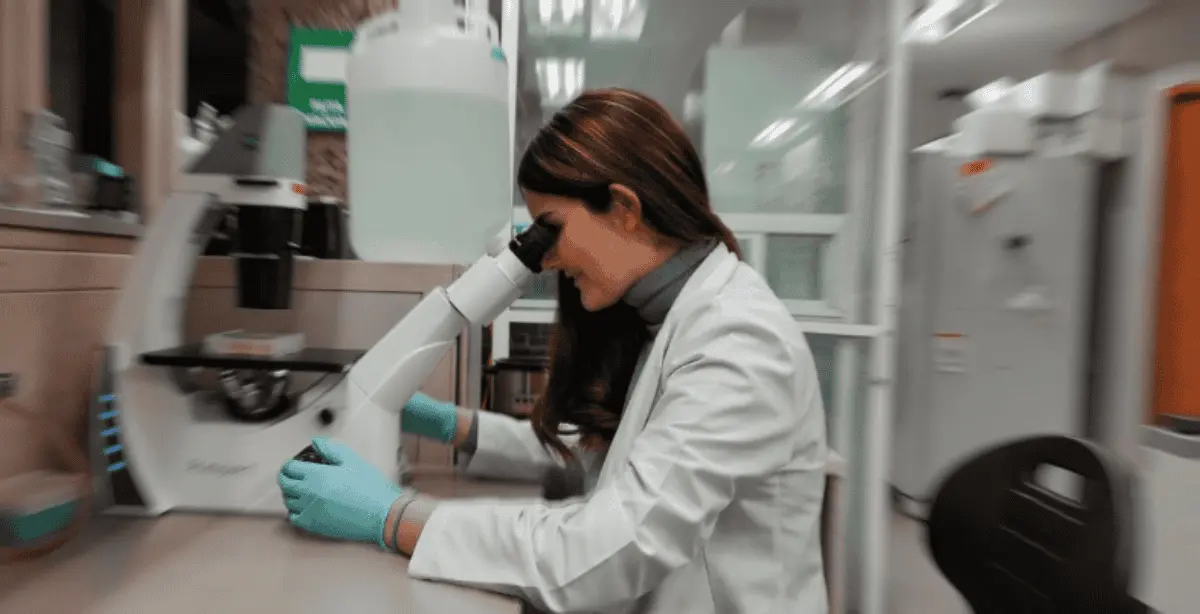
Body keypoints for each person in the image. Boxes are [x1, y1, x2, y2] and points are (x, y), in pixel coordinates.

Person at [278, 88, 829, 614]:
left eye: (552, 229)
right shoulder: (670, 315)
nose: (544, 259)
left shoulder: (737, 341)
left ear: (623, 208)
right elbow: (607, 457)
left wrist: (395, 517)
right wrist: (449, 424)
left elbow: (608, 553)